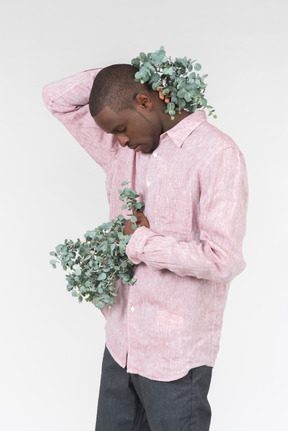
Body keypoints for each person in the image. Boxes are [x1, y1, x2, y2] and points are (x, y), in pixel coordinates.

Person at [42, 63, 248, 431]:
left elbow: (223, 260)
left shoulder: (216, 154)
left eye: (121, 129)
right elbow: (55, 98)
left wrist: (141, 243)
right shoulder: (120, 153)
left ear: (145, 102)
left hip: (175, 358)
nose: (119, 140)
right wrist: (135, 75)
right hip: (121, 347)